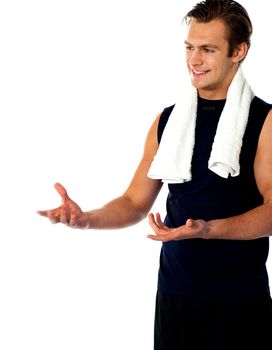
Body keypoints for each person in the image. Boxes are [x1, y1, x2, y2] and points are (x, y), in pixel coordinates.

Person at [38, 0, 272, 349]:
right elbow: (134, 201)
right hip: (174, 297)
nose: (194, 60)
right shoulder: (168, 121)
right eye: (190, 48)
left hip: (239, 301)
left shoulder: (264, 122)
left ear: (238, 51)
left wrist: (208, 229)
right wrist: (87, 219)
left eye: (208, 50)